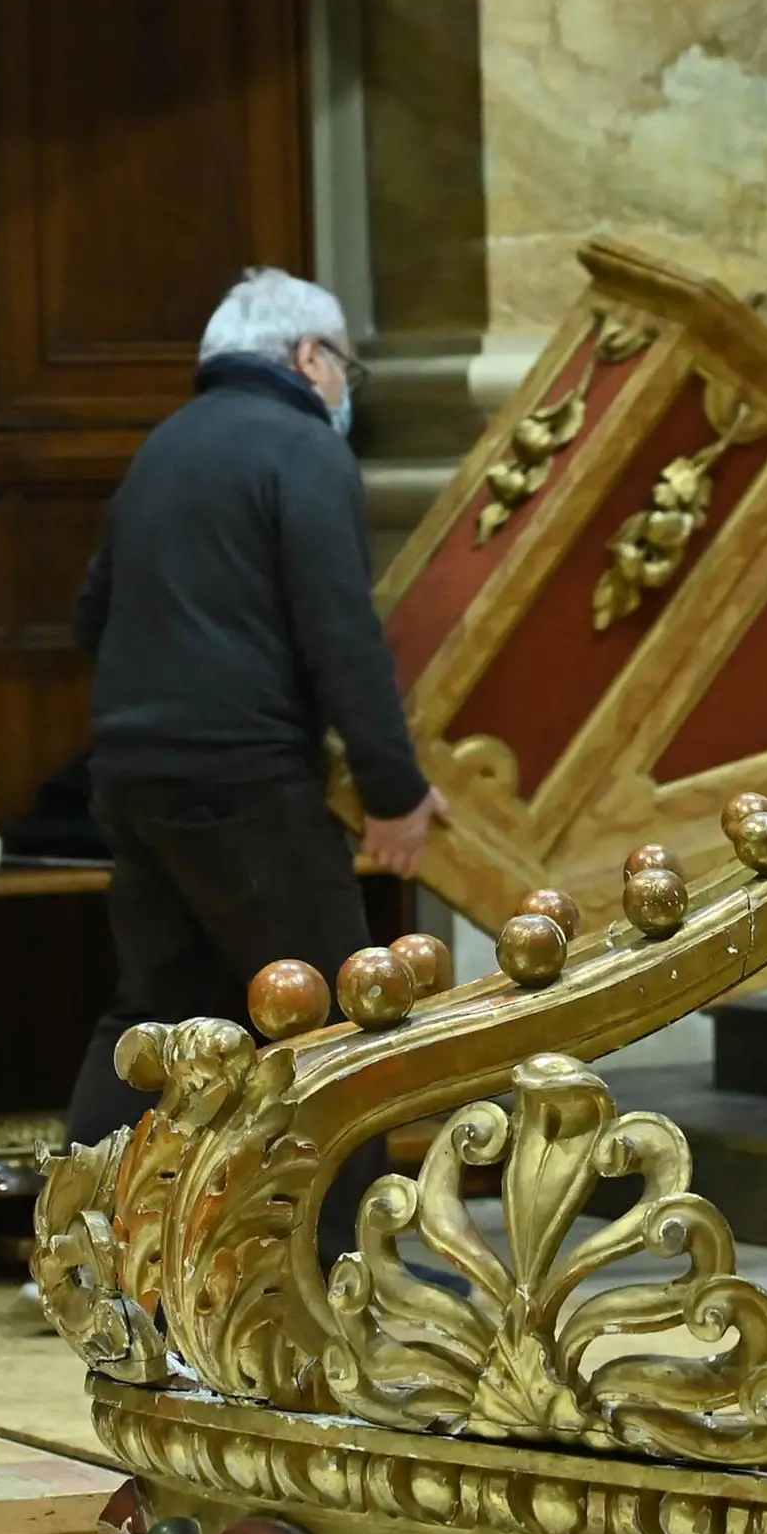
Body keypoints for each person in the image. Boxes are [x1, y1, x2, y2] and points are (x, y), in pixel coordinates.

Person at [61, 268, 445, 1146]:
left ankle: (80, 1226)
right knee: (341, 1018)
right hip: (245, 781)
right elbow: (340, 633)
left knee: (153, 1018)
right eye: (345, 365)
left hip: (131, 776)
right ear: (310, 356)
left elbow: (91, 615)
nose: (345, 387)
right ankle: (352, 1235)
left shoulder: (163, 447)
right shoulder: (303, 449)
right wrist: (393, 792)